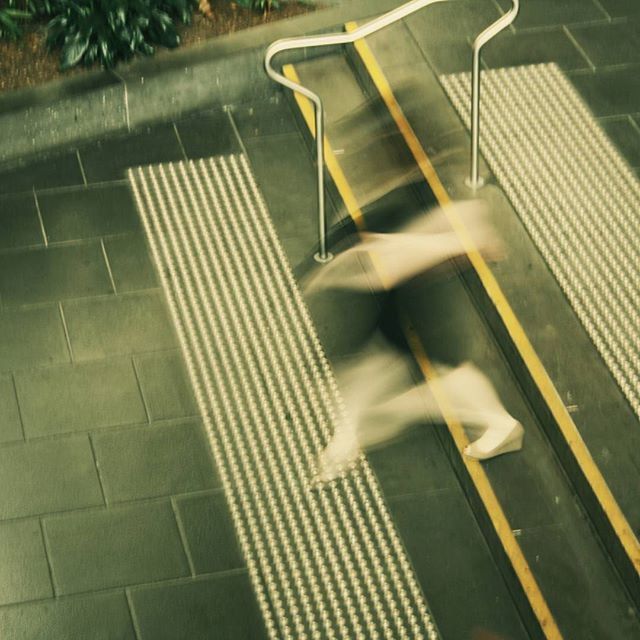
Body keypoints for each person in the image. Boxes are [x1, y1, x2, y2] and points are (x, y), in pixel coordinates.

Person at [303, 199, 524, 483]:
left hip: (406, 290)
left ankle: (344, 445)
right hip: (398, 286)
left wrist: (463, 243)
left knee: (412, 375)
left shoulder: (398, 237)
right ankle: (344, 443)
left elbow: (410, 249)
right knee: (383, 368)